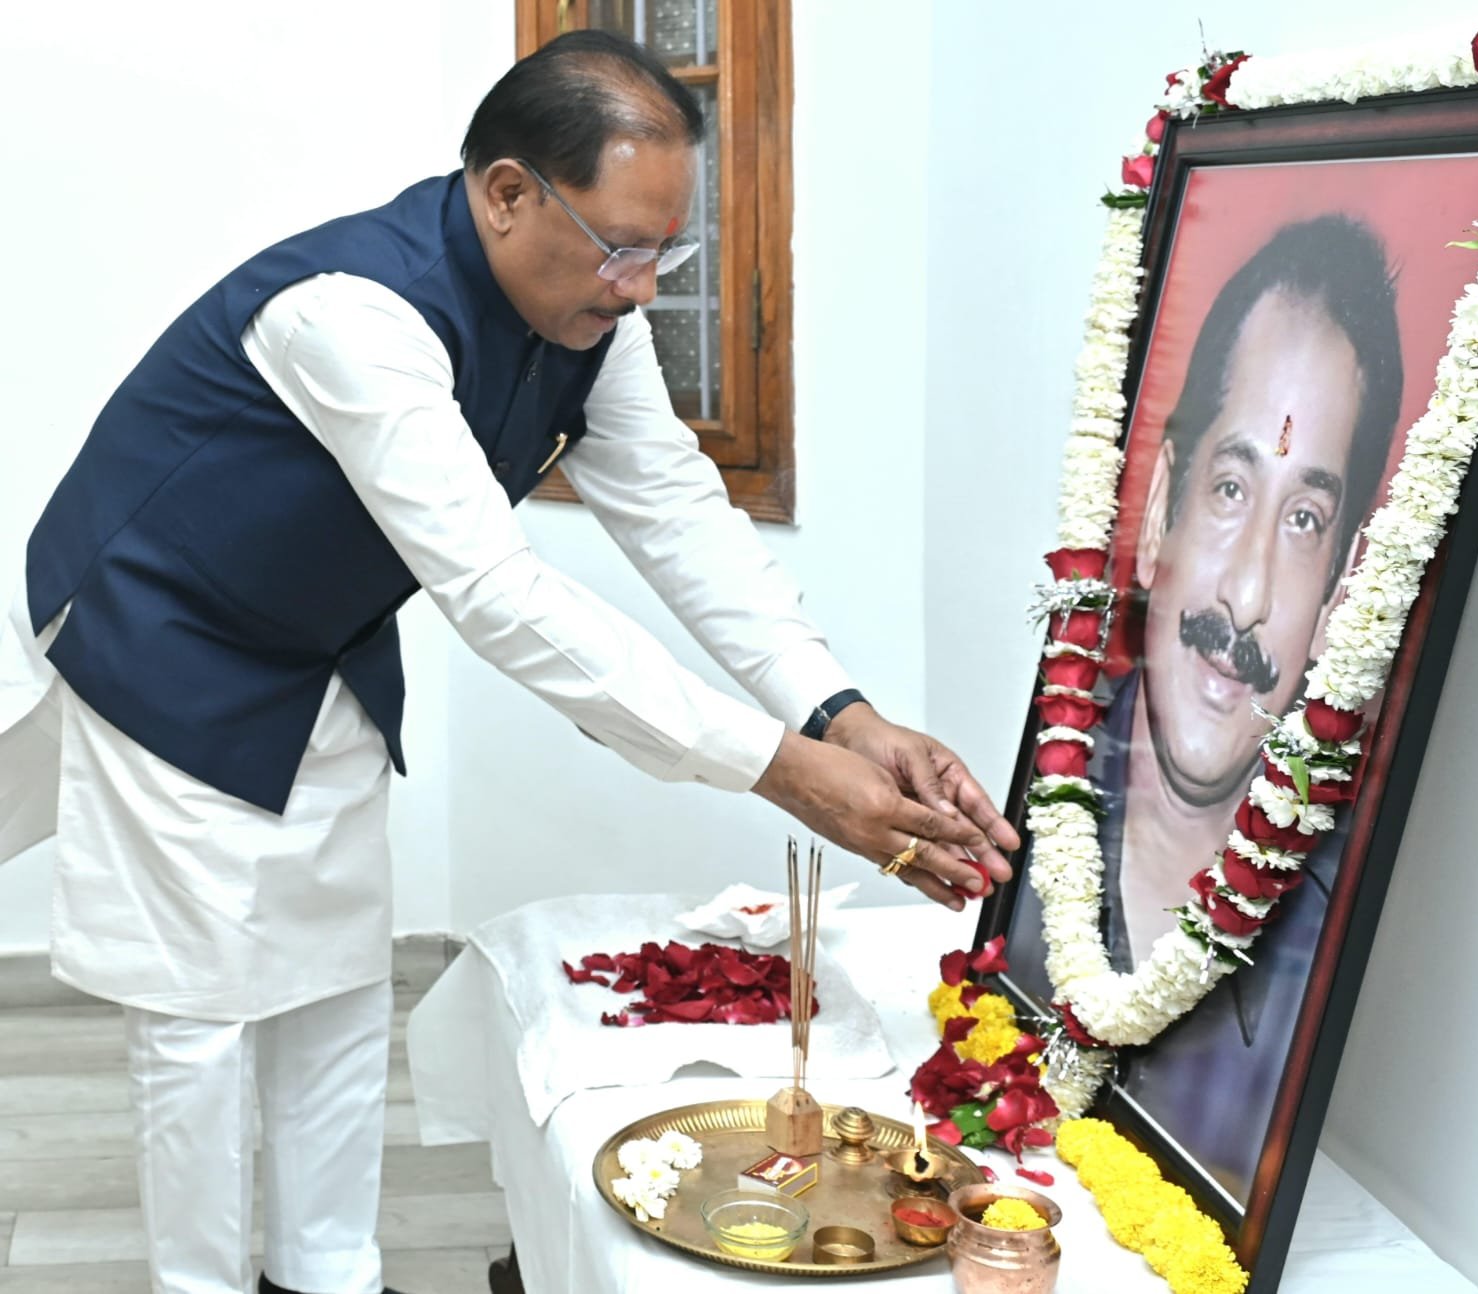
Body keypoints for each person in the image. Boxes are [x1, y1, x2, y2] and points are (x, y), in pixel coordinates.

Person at [0, 32, 1018, 1294]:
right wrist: (780, 769)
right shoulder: (351, 315)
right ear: (506, 193)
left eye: (663, 252)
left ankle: (326, 1274)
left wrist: (841, 715)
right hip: (158, 632)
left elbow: (680, 518)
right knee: (202, 1007)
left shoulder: (593, 318)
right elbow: (495, 591)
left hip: (318, 646)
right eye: (620, 247)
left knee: (332, 981)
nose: (640, 287)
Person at [1008, 215, 1402, 1201]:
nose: (1248, 596)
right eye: (1230, 488)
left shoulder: (1329, 932)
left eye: (1304, 519)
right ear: (1156, 520)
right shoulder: (1030, 839)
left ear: (1338, 598)